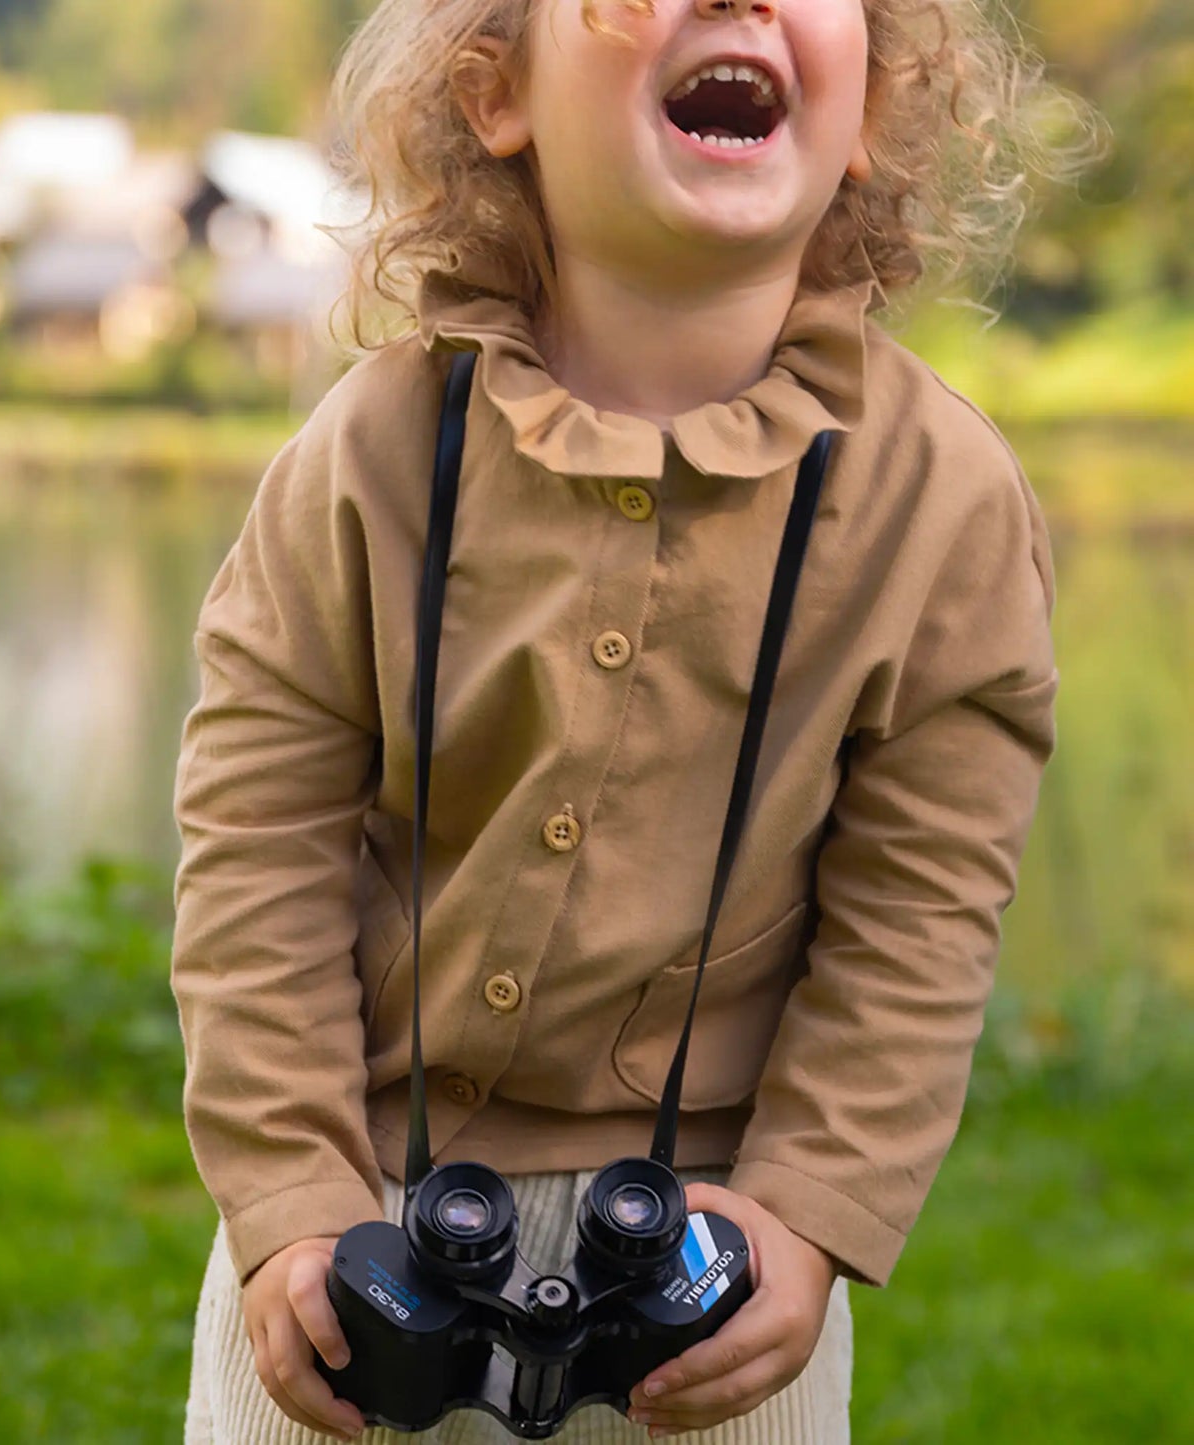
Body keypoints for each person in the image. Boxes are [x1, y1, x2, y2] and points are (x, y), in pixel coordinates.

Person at [173, 1, 1089, 1440]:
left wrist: (805, 1212)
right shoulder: (367, 456)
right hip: (354, 1265)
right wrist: (288, 1194)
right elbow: (253, 850)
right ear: (494, 93)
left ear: (874, 108)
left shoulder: (946, 511)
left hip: (711, 1290)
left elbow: (917, 919)